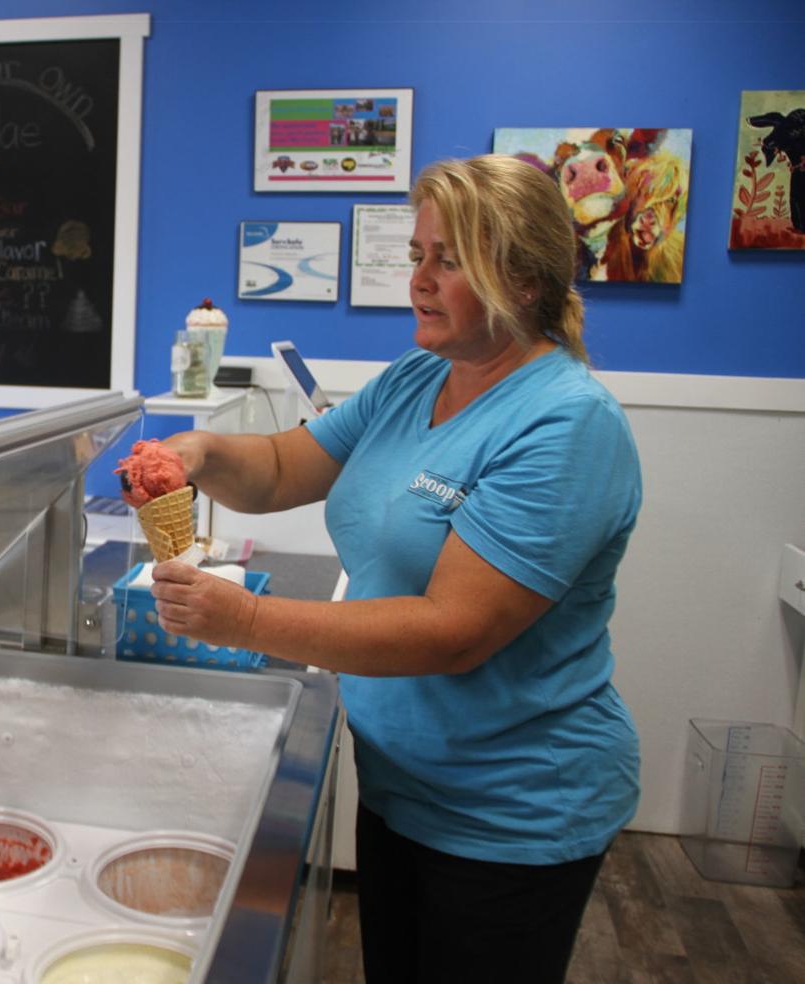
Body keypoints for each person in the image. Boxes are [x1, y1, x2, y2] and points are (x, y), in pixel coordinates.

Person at [151, 154, 642, 984]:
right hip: (402, 786)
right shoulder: (420, 376)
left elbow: (453, 632)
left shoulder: (566, 425)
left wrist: (246, 622)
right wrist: (198, 453)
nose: (419, 280)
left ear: (522, 280)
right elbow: (281, 468)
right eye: (417, 255)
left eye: (448, 261)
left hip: (510, 811)